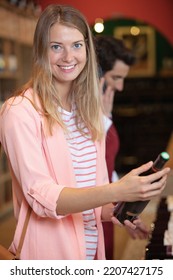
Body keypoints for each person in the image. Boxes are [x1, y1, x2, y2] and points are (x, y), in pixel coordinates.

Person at [0, 4, 170, 260]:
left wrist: (118, 210)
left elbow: (91, 194)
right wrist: (118, 190)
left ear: (87, 50)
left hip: (91, 256)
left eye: (77, 45)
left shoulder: (87, 112)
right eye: (56, 46)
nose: (69, 57)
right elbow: (43, 198)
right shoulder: (20, 111)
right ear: (41, 51)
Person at [96, 36, 138, 259]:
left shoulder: (103, 105)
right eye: (116, 78)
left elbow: (108, 168)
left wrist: (125, 211)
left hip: (107, 207)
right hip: (90, 212)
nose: (120, 86)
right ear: (97, 74)